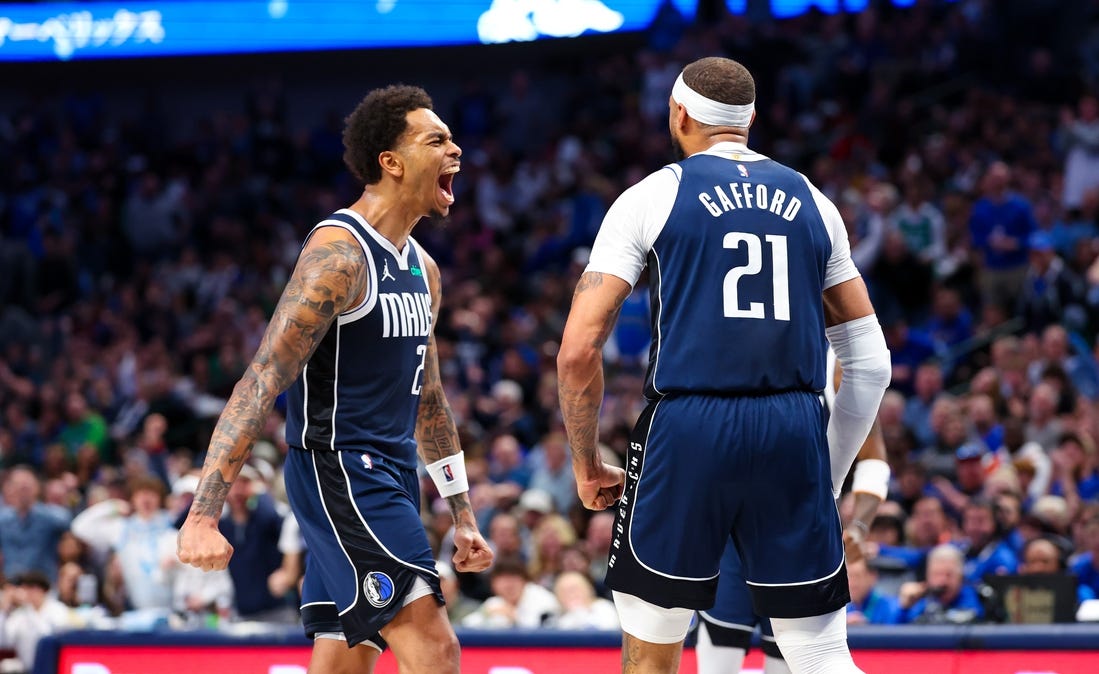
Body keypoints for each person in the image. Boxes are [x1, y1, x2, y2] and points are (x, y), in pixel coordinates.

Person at [557, 57, 890, 674]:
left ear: (679, 113)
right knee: (819, 651)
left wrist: (584, 462)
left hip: (689, 426)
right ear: (750, 120)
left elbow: (578, 350)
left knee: (652, 647)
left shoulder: (652, 194)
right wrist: (828, 469)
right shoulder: (816, 202)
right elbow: (870, 363)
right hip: (792, 423)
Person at [176, 85, 493, 674]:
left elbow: (429, 397)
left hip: (392, 473)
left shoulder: (424, 267)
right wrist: (202, 514)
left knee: (345, 658)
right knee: (435, 644)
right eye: (438, 140)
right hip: (340, 468)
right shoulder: (339, 256)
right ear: (391, 163)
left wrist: (463, 513)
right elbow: (262, 379)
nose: (457, 151)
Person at [696, 353, 892, 674]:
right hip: (729, 536)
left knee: (797, 661)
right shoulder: (726, 347)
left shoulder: (838, 366)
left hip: (798, 538)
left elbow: (873, 458)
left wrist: (859, 524)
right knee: (719, 657)